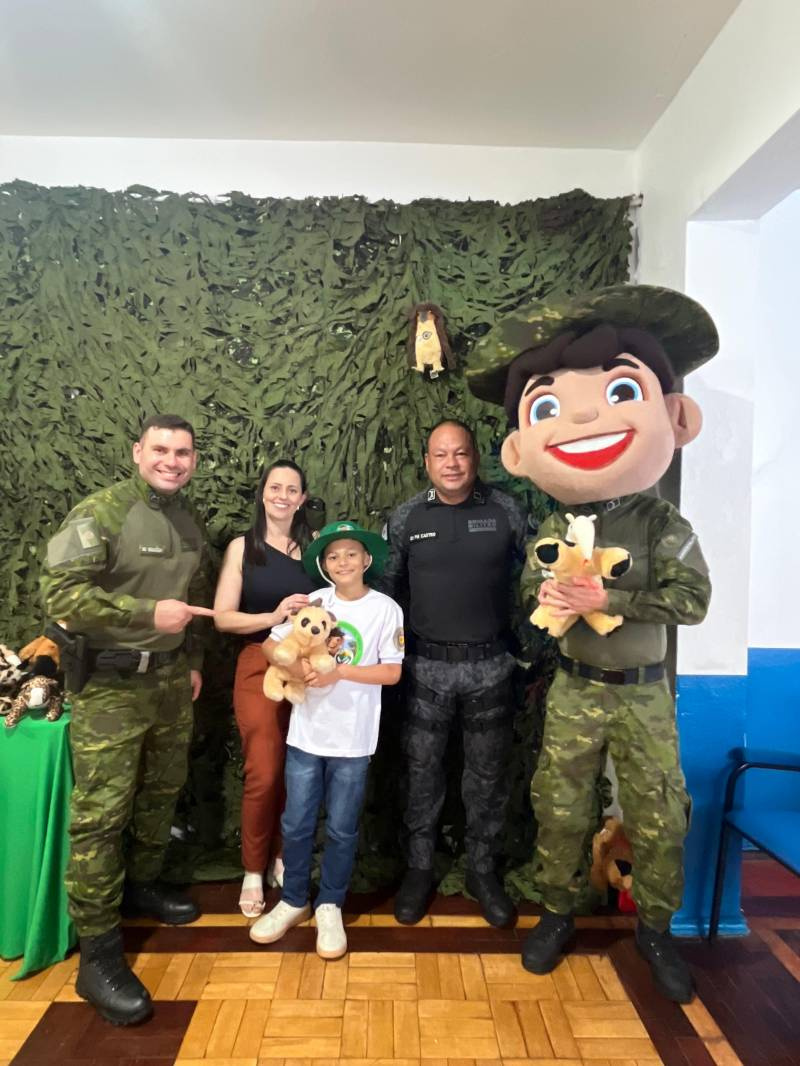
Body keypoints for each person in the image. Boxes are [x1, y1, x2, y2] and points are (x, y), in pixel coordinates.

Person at [466, 284, 716, 1003]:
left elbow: (694, 601)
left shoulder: (661, 523)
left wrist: (612, 598)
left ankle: (657, 932)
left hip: (643, 696)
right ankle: (557, 912)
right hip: (575, 686)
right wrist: (544, 596)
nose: (581, 417)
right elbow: (526, 593)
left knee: (660, 813)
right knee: (562, 806)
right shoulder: (553, 521)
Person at [40, 413, 214, 1026]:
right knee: (101, 816)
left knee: (159, 797)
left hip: (168, 683)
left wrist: (190, 658)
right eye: (161, 449)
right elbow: (59, 595)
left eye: (184, 452)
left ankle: (142, 888)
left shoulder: (189, 523)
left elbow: (189, 607)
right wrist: (145, 613)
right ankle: (99, 956)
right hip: (110, 686)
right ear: (138, 452)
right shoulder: (102, 512)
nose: (172, 460)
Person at [379, 419, 527, 928]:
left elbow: (535, 584)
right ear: (427, 462)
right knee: (421, 775)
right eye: (441, 455)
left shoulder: (506, 510)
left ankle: (482, 872)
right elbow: (386, 594)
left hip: (491, 667)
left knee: (487, 779)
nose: (451, 463)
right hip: (424, 670)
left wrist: (530, 654)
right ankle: (420, 869)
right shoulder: (406, 518)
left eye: (460, 453)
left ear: (474, 458)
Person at [249, 521, 404, 959]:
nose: (343, 563)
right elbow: (270, 646)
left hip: (354, 741)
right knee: (296, 823)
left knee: (341, 827)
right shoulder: (313, 603)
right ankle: (294, 900)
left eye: (351, 554)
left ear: (367, 560)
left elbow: (391, 671)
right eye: (333, 556)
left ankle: (331, 903)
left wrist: (340, 672)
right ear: (323, 564)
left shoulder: (386, 609)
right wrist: (298, 672)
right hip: (306, 735)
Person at [213, 460, 316, 917]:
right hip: (259, 662)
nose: (282, 495)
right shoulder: (243, 548)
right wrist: (273, 618)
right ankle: (253, 869)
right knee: (265, 772)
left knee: (302, 772)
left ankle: (283, 857)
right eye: (275, 487)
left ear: (302, 498)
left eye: (291, 489)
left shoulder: (316, 549)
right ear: (263, 493)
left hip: (310, 668)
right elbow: (222, 617)